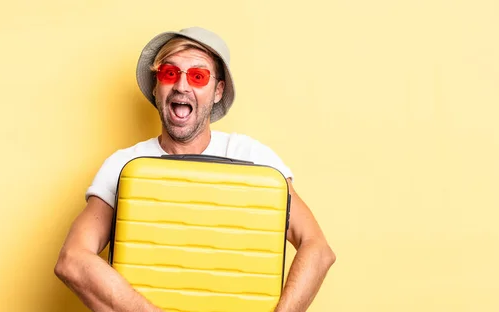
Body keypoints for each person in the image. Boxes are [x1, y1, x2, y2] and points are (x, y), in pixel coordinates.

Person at [54, 26, 336, 312]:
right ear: (156, 85)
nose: (182, 86)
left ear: (218, 91)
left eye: (198, 77)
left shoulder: (253, 159)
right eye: (170, 73)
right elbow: (73, 260)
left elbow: (317, 248)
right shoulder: (124, 165)